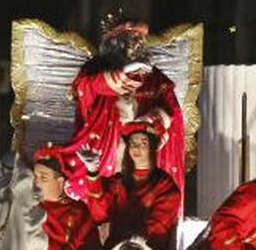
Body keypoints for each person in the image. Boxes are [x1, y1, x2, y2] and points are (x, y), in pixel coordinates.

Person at [54, 13, 187, 208]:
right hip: (107, 147)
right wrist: (120, 77)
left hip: (141, 149)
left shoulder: (154, 77)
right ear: (115, 42)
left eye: (140, 39)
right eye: (130, 39)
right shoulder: (95, 69)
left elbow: (172, 111)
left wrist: (149, 123)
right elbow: (87, 87)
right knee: (104, 204)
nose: (136, 44)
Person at [86, 121, 182, 250]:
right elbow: (100, 214)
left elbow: (158, 225)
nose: (136, 148)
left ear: (152, 148)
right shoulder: (118, 182)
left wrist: (136, 241)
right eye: (132, 143)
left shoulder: (164, 184)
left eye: (143, 143)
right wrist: (93, 173)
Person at [32, 148, 99, 250]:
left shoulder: (78, 211)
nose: (36, 183)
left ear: (60, 181)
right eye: (35, 177)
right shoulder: (28, 209)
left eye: (43, 178)